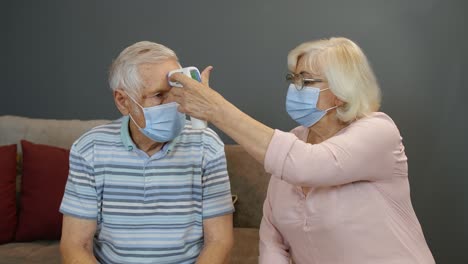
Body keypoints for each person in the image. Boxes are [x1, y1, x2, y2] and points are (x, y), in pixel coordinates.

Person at [168, 37, 435, 263]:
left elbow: (306, 166)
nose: (295, 88)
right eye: (293, 79)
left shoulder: (379, 132)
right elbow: (272, 239)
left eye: (306, 82)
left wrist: (216, 109)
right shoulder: (294, 142)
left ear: (342, 91)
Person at [59, 41, 234, 264]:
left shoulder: (207, 147)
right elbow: (76, 245)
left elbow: (219, 241)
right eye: (160, 95)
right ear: (123, 101)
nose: (173, 103)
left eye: (176, 91)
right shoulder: (89, 149)